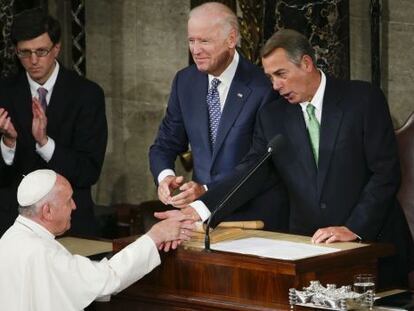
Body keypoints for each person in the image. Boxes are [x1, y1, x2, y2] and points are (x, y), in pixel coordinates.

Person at [158, 29, 413, 287]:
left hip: (375, 248)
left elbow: (386, 173)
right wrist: (199, 209)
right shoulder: (273, 116)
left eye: (281, 74)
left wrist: (354, 229)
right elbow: (250, 172)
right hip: (311, 253)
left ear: (306, 63)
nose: (276, 86)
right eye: (270, 78)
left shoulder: (362, 100)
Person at [149, 2, 288, 231]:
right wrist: (165, 178)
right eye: (191, 40)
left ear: (231, 40)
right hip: (201, 220)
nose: (195, 50)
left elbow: (260, 165)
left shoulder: (264, 86)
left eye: (204, 41)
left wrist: (205, 189)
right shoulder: (185, 81)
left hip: (253, 219)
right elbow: (165, 143)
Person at [0, 169, 194, 311]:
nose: (75, 206)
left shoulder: (10, 238)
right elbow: (106, 279)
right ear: (47, 211)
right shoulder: (42, 251)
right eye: (68, 200)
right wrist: (156, 236)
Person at [0, 8, 107, 236]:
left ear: (56, 48)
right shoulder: (4, 93)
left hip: (70, 227)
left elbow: (88, 172)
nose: (33, 61)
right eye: (24, 53)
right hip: (13, 227)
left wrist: (45, 143)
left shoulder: (87, 95)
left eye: (41, 51)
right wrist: (8, 143)